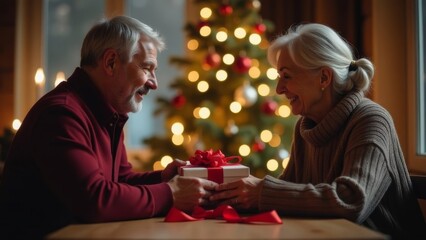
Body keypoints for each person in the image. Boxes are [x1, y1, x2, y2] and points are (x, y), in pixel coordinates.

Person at [0, 16, 217, 239]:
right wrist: (172, 193)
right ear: (111, 62)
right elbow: (95, 200)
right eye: (147, 68)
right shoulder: (60, 115)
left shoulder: (107, 113)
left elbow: (119, 182)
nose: (154, 83)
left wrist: (162, 178)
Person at [210, 23, 426, 239]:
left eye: (287, 76)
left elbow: (350, 200)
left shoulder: (370, 120)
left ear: (324, 78)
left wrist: (261, 192)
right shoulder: (306, 125)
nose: (279, 89)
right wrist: (228, 197)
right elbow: (288, 191)